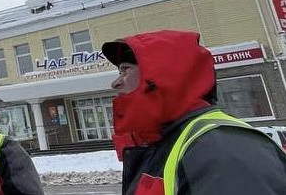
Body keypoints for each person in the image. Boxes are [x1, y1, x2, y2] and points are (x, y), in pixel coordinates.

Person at [102, 29, 286, 194]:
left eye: (125, 70)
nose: (115, 83)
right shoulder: (164, 142)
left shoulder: (220, 149)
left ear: (163, 75)